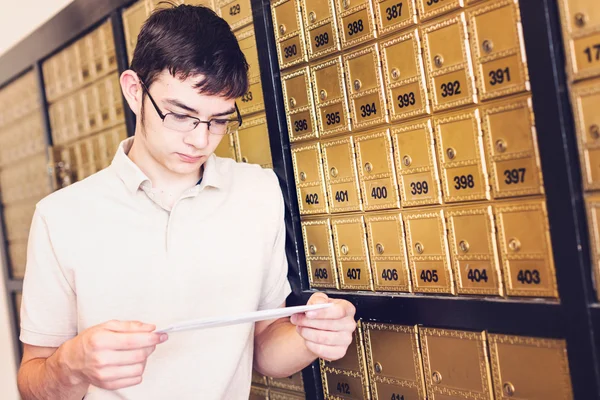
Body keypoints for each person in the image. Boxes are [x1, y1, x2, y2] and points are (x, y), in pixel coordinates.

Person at [16, 4, 356, 399]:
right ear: (134, 90)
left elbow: (263, 348)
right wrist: (69, 364)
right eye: (180, 115)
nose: (200, 140)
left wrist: (313, 337)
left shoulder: (257, 191)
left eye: (220, 119)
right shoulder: (61, 217)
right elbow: (32, 384)